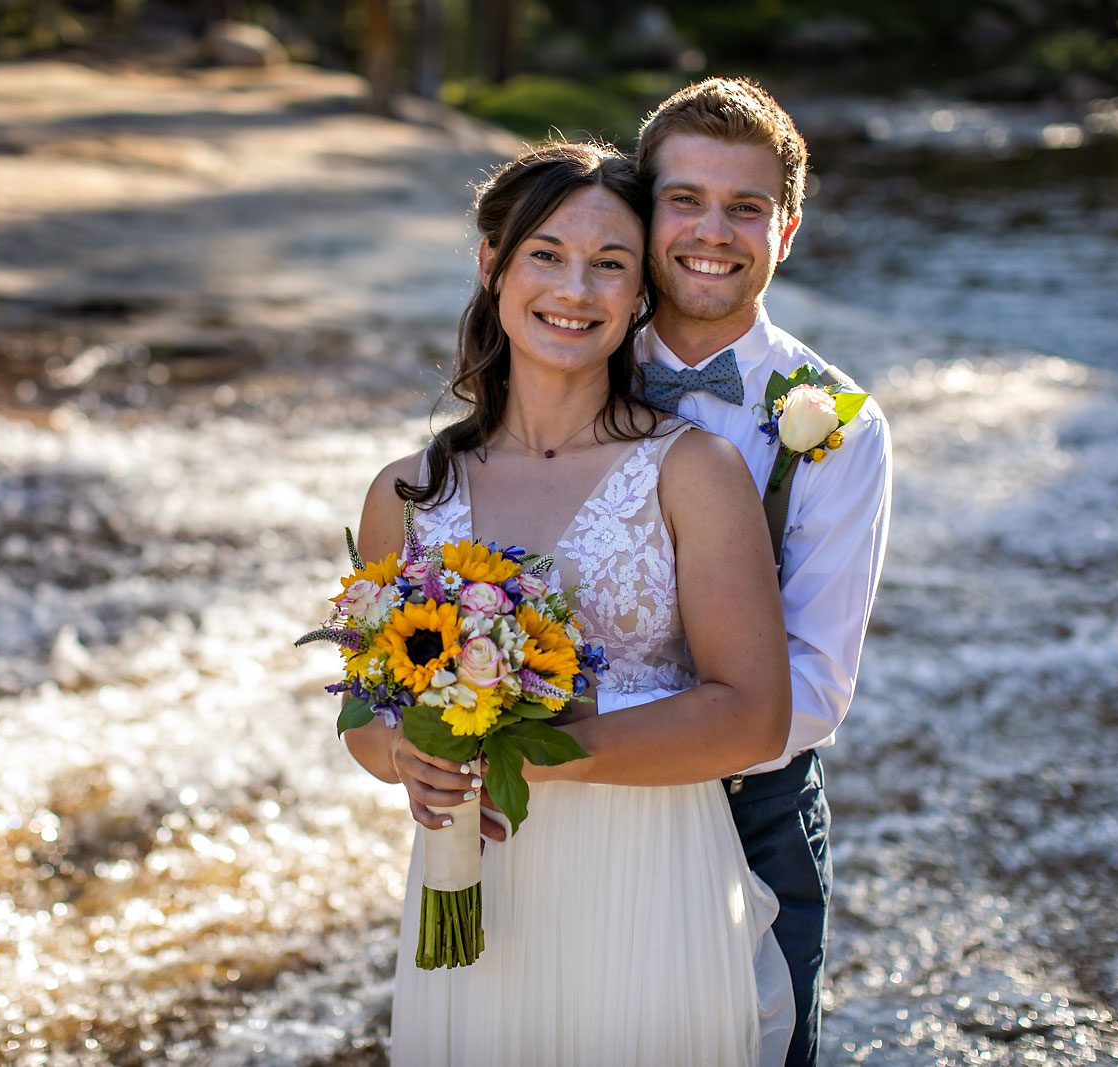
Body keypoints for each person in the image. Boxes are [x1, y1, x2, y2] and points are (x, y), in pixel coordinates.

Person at [342, 141, 797, 1064]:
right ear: (493, 265)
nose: (576, 289)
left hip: (649, 882)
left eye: (611, 264)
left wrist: (534, 753)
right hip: (472, 884)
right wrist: (403, 754)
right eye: (546, 253)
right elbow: (365, 716)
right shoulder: (408, 492)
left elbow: (755, 715)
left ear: (640, 295)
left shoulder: (693, 472)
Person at [631, 77, 895, 1066]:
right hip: (561, 811)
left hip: (749, 816)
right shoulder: (567, 356)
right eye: (685, 199)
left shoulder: (837, 420)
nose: (713, 229)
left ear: (785, 231)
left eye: (745, 206)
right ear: (642, 209)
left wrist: (607, 750)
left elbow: (818, 688)